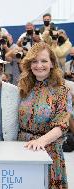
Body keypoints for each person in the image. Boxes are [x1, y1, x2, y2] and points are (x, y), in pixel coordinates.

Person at [17, 42, 72, 188]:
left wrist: (41, 141)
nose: (38, 65)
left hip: (49, 152)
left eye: (44, 61)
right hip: (22, 149)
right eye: (34, 61)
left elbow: (62, 124)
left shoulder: (61, 90)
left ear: (52, 63)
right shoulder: (24, 87)